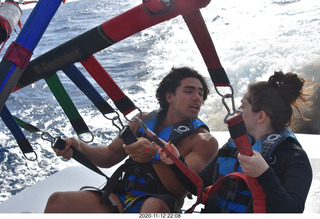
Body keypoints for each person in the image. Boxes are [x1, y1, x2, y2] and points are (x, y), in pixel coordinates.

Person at [44, 67, 218, 213]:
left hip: (163, 206)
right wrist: (79, 146)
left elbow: (180, 190)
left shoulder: (203, 141)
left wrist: (155, 157)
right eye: (189, 91)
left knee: (152, 206)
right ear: (169, 96)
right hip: (121, 197)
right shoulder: (141, 120)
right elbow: (110, 156)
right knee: (58, 201)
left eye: (201, 94)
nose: (197, 98)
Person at [157, 71, 313, 213]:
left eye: (243, 106)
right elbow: (198, 186)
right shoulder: (233, 146)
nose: (238, 110)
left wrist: (264, 174)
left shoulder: (294, 156)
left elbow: (293, 211)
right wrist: (176, 162)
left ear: (260, 116)